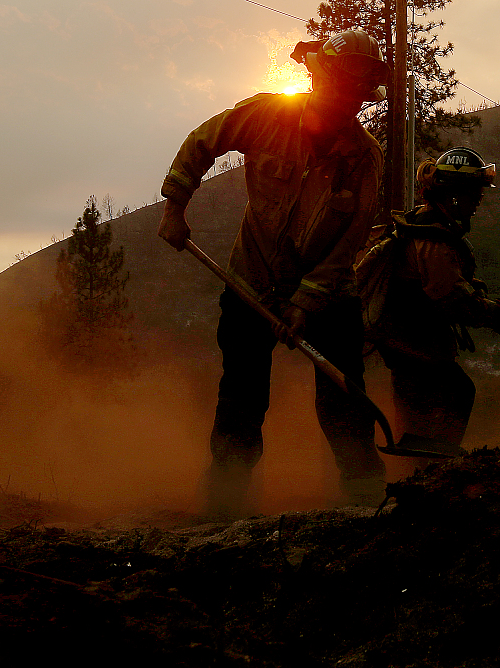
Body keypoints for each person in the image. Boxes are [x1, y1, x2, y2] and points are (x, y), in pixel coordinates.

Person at [157, 30, 390, 517]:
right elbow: (204, 140)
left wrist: (303, 305)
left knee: (343, 396)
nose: (345, 102)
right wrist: (175, 206)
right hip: (250, 284)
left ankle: (364, 494)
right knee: (242, 392)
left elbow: (345, 249)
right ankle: (225, 500)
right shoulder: (267, 115)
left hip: (329, 295)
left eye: (356, 94)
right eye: (338, 88)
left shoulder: (365, 160)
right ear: (318, 77)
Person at [363, 147, 500, 457]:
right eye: (475, 194)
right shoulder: (434, 239)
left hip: (408, 343)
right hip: (413, 344)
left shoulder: (427, 225)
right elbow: (452, 300)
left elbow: (449, 282)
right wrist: (493, 313)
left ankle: (416, 471)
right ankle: (432, 469)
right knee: (457, 392)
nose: (479, 201)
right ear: (455, 196)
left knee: (417, 413)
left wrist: (475, 291)